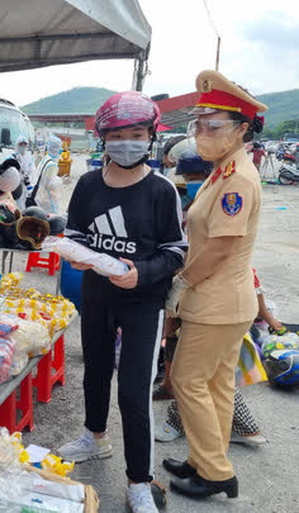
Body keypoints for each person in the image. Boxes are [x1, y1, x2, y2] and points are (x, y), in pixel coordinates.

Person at [58, 92, 188, 513]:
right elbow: (76, 233)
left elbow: (175, 252)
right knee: (95, 373)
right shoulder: (88, 184)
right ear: (103, 139)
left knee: (133, 393)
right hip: (96, 295)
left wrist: (141, 273)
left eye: (136, 133)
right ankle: (94, 438)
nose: (126, 142)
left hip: (142, 304)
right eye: (116, 135)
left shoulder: (161, 190)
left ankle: (139, 481)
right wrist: (76, 254)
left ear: (151, 136)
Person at [164, 70, 268, 500]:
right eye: (199, 125)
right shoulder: (223, 169)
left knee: (187, 380)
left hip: (217, 301)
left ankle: (216, 472)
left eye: (213, 127)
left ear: (241, 129)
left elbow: (222, 247)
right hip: (223, 300)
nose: (202, 134)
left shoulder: (237, 178)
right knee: (216, 386)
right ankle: (203, 458)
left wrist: (181, 283)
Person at [29, 134, 64, 213]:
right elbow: (50, 184)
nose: (61, 149)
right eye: (60, 147)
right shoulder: (52, 165)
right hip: (47, 200)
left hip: (41, 196)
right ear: (55, 148)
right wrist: (61, 180)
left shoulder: (46, 159)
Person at [12, 134, 35, 210]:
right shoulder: (13, 157)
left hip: (25, 186)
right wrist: (21, 177)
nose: (23, 146)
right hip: (15, 185)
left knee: (24, 202)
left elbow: (32, 170)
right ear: (17, 145)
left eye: (25, 144)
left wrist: (28, 178)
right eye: (21, 144)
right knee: (16, 203)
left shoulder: (29, 157)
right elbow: (10, 172)